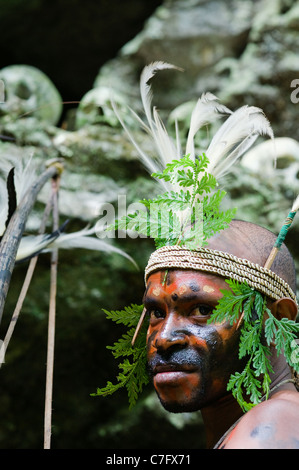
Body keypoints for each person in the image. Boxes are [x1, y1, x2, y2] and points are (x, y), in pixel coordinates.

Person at [144, 219, 299, 449]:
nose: (163, 339)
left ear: (277, 319)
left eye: (202, 310)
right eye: (157, 312)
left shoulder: (272, 426)